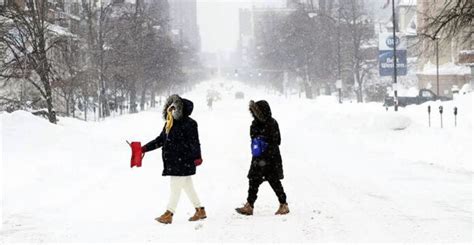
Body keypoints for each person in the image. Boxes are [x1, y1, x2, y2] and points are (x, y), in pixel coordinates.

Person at [142, 94, 206, 224]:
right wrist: (144, 149)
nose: (170, 109)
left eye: (173, 107)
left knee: (175, 187)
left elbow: (195, 142)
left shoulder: (190, 124)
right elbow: (160, 140)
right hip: (173, 161)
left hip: (184, 161)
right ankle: (200, 210)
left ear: (180, 109)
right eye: (170, 107)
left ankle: (169, 213)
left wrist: (197, 156)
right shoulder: (169, 123)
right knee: (188, 187)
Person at [236, 100, 289, 216]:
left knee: (274, 181)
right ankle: (249, 206)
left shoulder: (272, 123)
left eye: (256, 112)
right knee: (253, 180)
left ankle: (283, 204)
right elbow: (253, 138)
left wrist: (265, 143)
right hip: (259, 158)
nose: (254, 114)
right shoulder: (255, 123)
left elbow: (277, 140)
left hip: (270, 158)